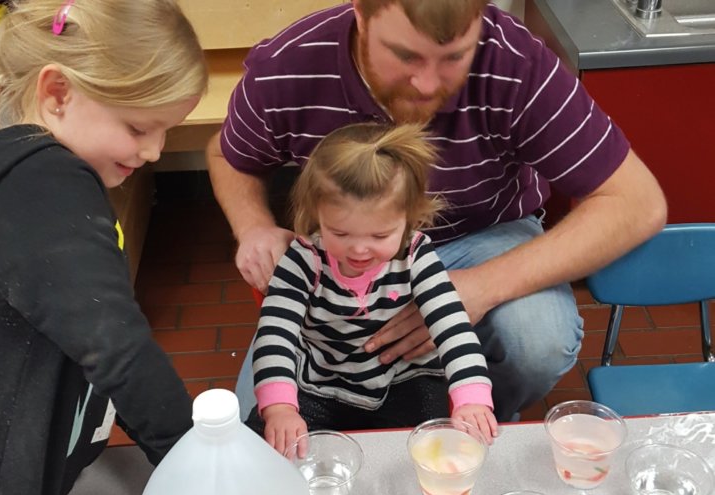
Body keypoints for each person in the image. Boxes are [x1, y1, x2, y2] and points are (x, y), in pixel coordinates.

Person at [207, 0, 667, 423]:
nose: (428, 85)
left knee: (537, 340)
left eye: (453, 58)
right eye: (405, 56)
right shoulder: (289, 65)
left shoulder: (516, 60)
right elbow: (228, 154)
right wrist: (253, 227)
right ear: (361, 16)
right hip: (341, 255)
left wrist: (479, 289)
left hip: (485, 234)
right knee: (261, 416)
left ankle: (470, 425)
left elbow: (637, 202)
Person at [0, 0, 207, 495]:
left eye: (166, 130)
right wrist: (203, 460)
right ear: (57, 93)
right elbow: (117, 346)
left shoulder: (20, 172)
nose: (155, 151)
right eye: (139, 128)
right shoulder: (44, 182)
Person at [245, 122, 497, 454]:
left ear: (410, 219)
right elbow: (275, 334)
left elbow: (453, 327)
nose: (360, 251)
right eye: (341, 233)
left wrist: (471, 397)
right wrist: (280, 408)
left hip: (404, 381)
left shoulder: (415, 253)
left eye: (380, 236)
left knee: (432, 447)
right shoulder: (304, 259)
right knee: (260, 441)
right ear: (316, 216)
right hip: (321, 385)